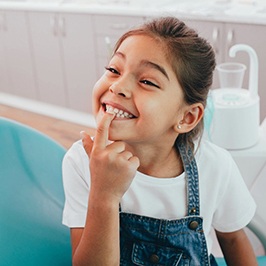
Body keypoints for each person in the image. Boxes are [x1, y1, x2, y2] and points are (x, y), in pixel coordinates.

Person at [62, 17, 257, 265]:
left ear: (187, 117)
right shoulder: (81, 162)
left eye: (147, 81)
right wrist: (104, 195)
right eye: (114, 70)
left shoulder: (216, 166)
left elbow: (233, 240)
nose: (118, 87)